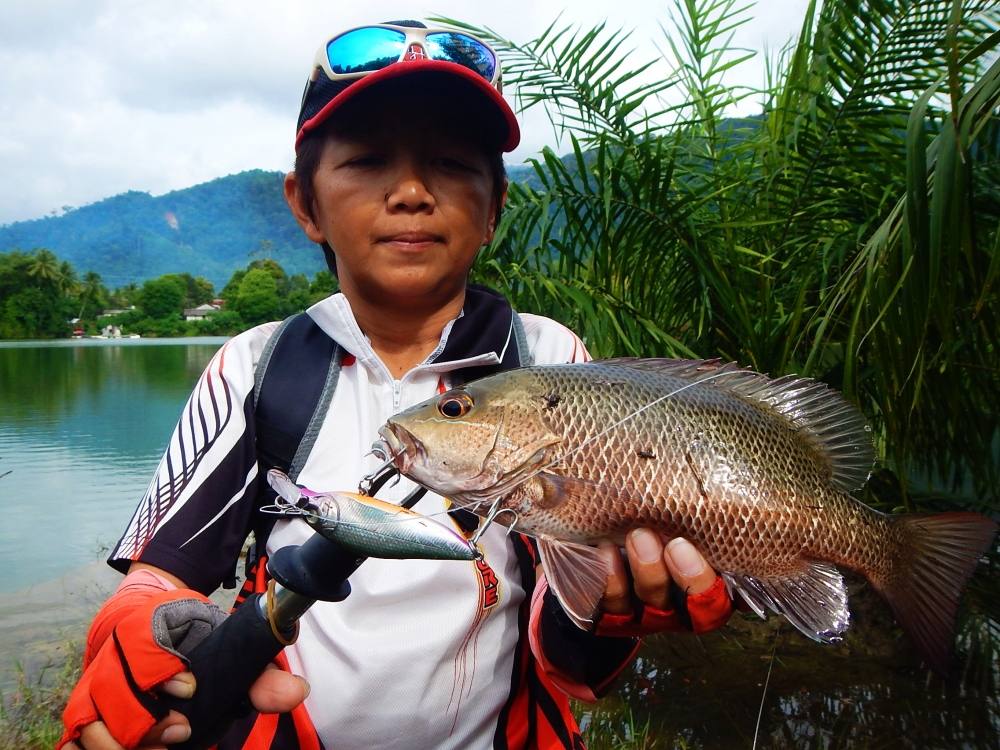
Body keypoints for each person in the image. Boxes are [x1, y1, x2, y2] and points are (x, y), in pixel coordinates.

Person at [60, 20, 733, 750]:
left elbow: (571, 647)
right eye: (368, 161)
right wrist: (133, 623)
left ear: (495, 207)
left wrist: (610, 614)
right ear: (304, 203)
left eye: (449, 163)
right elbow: (165, 572)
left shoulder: (549, 357)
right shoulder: (254, 365)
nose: (411, 192)